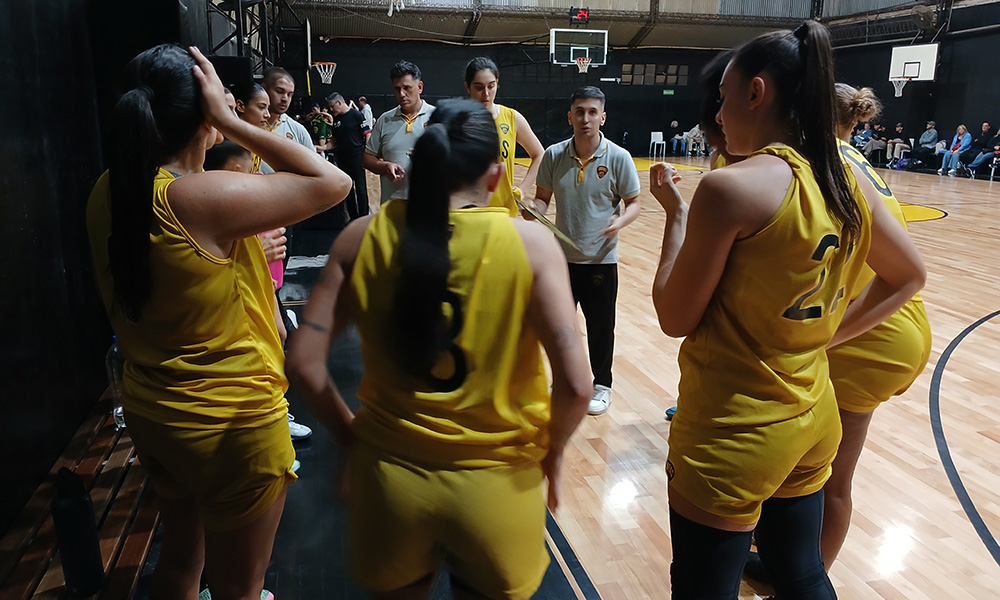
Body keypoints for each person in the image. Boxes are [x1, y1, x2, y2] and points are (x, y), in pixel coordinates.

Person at [648, 21, 925, 599]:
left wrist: (676, 216)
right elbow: (909, 276)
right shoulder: (847, 174)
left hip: (737, 426)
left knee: (702, 587)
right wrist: (827, 337)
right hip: (813, 411)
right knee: (800, 575)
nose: (718, 114)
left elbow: (674, 318)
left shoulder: (732, 188)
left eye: (724, 97)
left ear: (757, 92)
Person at [286, 98, 592, 600]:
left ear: (420, 164)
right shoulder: (532, 246)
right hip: (498, 488)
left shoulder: (361, 237)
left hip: (391, 483)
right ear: (495, 177)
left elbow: (303, 363)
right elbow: (578, 387)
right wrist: (553, 452)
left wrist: (351, 440)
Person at [86, 44, 351, 600]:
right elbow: (333, 183)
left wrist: (244, 247)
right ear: (204, 115)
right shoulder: (199, 197)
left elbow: (183, 270)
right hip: (231, 426)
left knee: (182, 563)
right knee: (240, 589)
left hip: (156, 413)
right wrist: (232, 124)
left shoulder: (112, 189)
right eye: (221, 103)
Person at [530, 86, 641, 416]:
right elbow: (542, 199)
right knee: (561, 327)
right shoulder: (553, 155)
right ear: (570, 116)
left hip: (600, 261)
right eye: (579, 112)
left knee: (600, 328)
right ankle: (564, 380)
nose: (586, 118)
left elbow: (634, 203)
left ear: (603, 117)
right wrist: (532, 210)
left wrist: (620, 222)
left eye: (593, 112)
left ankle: (602, 384)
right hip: (561, 261)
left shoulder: (618, 157)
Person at [463, 57, 545, 216]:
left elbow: (539, 154)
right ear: (467, 87)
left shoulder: (511, 118)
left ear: (497, 83)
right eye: (479, 87)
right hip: (468, 213)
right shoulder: (458, 121)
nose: (486, 94)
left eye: (491, 86)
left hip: (504, 212)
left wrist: (523, 190)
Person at [364, 60, 435, 205]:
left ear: (420, 87)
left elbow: (453, 163)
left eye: (407, 88)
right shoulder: (385, 120)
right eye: (397, 89)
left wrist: (427, 159)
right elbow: (367, 158)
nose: (402, 94)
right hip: (392, 207)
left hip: (429, 207)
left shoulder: (438, 117)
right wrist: (385, 166)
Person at [259, 67, 315, 174]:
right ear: (264, 89)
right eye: (279, 91)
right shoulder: (246, 124)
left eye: (290, 94)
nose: (285, 99)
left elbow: (315, 169)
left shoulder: (298, 129)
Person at [327, 91, 372, 219]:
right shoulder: (337, 120)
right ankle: (353, 218)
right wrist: (322, 148)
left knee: (360, 188)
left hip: (357, 155)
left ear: (339, 103)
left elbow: (367, 134)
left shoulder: (357, 115)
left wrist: (367, 154)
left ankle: (364, 217)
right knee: (348, 188)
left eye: (332, 106)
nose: (331, 109)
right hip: (342, 157)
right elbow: (334, 141)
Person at [233, 82, 270, 173]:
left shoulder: (259, 140)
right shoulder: (228, 145)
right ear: (240, 106)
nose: (267, 115)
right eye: (261, 107)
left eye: (268, 108)